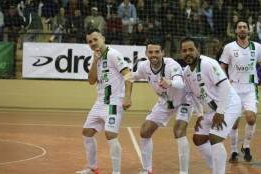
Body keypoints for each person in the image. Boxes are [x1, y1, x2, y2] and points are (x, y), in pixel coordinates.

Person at [180, 37, 241, 174]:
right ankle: (215, 168)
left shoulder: (208, 63)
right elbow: (192, 97)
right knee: (199, 139)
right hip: (209, 110)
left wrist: (220, 112)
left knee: (215, 137)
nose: (188, 53)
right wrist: (200, 114)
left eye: (191, 49)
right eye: (184, 51)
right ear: (181, 53)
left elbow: (225, 86)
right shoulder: (186, 73)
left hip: (229, 104)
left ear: (198, 50)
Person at [76, 29, 133, 174]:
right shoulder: (96, 58)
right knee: (87, 132)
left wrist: (127, 96)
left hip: (114, 103)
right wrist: (95, 61)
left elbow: (128, 75)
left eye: (95, 39)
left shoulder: (113, 54)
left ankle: (116, 172)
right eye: (90, 41)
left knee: (110, 134)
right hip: (100, 102)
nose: (93, 43)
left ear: (102, 38)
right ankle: (93, 167)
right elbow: (91, 81)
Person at [133, 40, 192, 174]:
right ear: (146, 53)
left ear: (163, 53)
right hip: (165, 102)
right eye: (150, 52)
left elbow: (180, 83)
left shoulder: (171, 65)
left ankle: (184, 172)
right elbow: (134, 76)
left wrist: (169, 82)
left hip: (184, 100)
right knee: (145, 130)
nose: (153, 55)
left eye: (157, 52)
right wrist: (122, 74)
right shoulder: (144, 66)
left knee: (179, 131)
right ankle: (147, 169)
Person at [219, 20, 261, 163]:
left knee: (251, 118)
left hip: (250, 88)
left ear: (248, 30)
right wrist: (225, 80)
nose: (242, 29)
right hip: (233, 88)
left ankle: (246, 146)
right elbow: (222, 66)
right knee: (234, 123)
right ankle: (234, 150)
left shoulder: (257, 47)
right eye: (239, 27)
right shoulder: (229, 47)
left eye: (244, 27)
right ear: (236, 31)